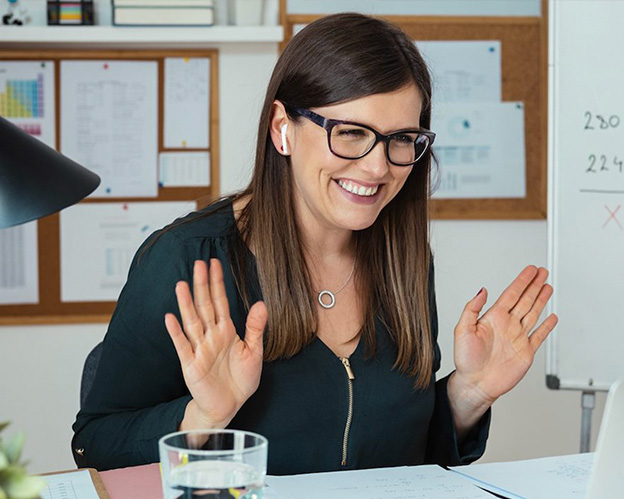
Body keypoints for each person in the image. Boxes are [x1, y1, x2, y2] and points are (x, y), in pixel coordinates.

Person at [72, 13, 558, 475]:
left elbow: (403, 456)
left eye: (402, 138)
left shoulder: (402, 258)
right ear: (282, 128)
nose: (378, 167)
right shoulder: (188, 258)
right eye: (350, 133)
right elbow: (96, 443)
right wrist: (201, 419)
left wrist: (468, 393)